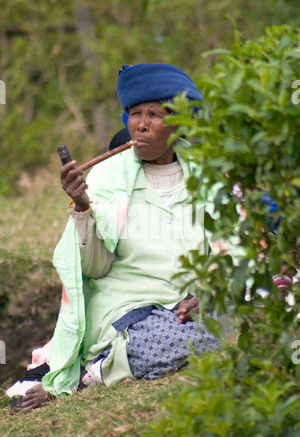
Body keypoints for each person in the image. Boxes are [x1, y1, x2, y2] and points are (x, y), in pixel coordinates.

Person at [18, 63, 220, 411]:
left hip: (186, 309)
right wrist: (83, 207)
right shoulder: (106, 178)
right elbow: (94, 268)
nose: (141, 123)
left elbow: (224, 250)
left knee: (242, 325)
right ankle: (97, 370)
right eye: (134, 113)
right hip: (129, 310)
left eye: (154, 114)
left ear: (180, 124)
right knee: (189, 344)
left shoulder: (207, 178)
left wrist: (206, 292)